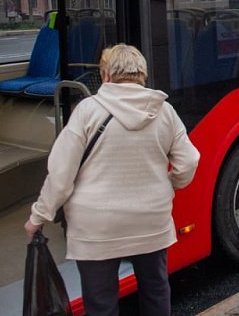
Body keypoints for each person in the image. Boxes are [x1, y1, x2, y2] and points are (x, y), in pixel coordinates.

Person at [24, 44, 200, 315]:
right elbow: (189, 161)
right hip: (151, 221)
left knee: (101, 301)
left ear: (105, 75)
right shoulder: (164, 112)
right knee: (155, 289)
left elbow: (61, 175)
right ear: (142, 75)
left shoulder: (86, 111)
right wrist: (171, 185)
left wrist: (39, 216)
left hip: (96, 228)